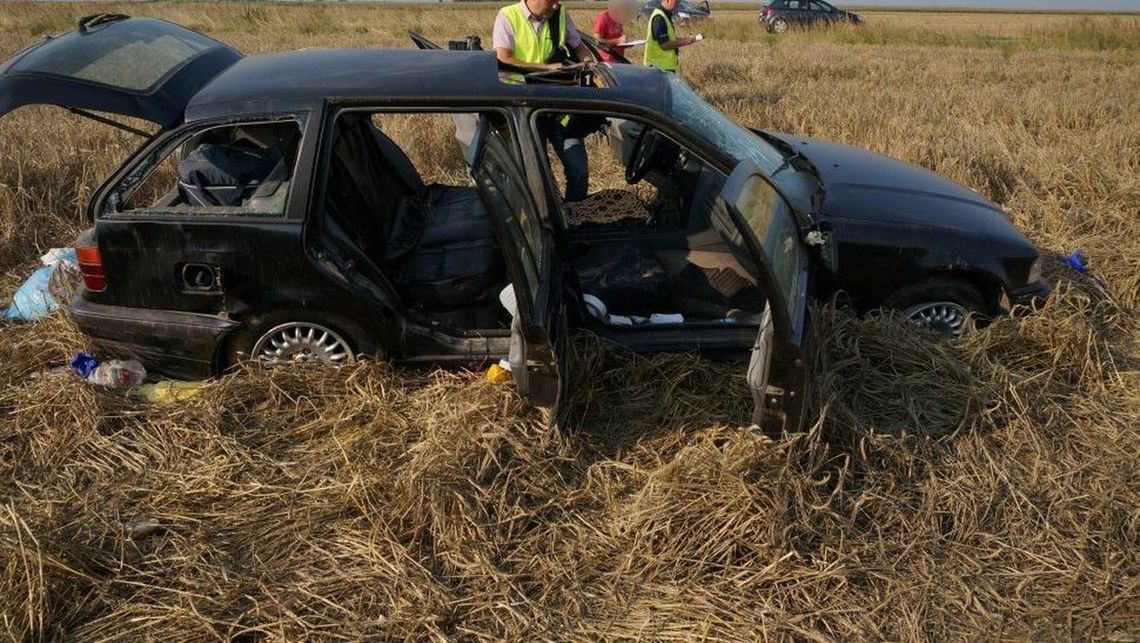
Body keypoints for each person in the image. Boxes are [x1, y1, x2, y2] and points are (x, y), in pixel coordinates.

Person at [493, 0, 596, 201]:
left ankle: (576, 217)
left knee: (579, 169)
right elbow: (503, 58)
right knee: (540, 177)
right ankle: (553, 220)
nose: (557, 5)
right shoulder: (507, 16)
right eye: (554, 0)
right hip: (525, 111)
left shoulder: (560, 15)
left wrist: (592, 68)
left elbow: (580, 48)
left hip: (559, 108)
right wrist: (546, 68)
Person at [644, 0, 701, 72]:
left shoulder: (665, 15)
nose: (678, 5)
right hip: (657, 68)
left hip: (663, 66)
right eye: (676, 2)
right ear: (668, 0)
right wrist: (686, 41)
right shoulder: (659, 18)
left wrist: (688, 39)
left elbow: (670, 39)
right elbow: (664, 45)